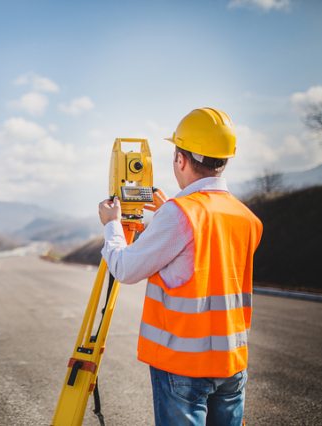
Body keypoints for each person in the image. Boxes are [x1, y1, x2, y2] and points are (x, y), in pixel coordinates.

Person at [98, 107, 263, 425]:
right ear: (223, 160)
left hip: (183, 367)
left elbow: (125, 268)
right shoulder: (246, 217)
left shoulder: (179, 214)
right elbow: (205, 252)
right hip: (231, 364)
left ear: (180, 159)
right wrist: (168, 211)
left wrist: (112, 225)